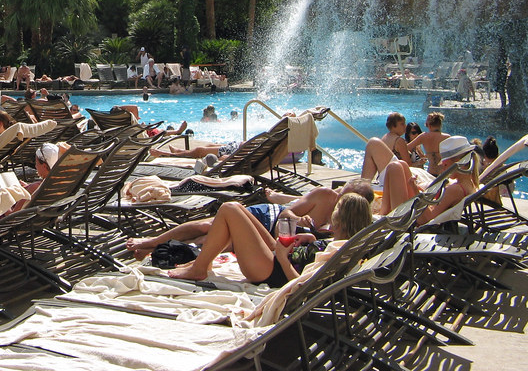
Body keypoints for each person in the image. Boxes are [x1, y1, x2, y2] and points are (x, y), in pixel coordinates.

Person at [126, 179, 374, 259]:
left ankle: (156, 251)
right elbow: (287, 211)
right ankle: (151, 241)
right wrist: (300, 221)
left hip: (272, 240)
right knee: (207, 226)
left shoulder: (343, 225)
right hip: (270, 217)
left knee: (213, 240)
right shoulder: (325, 196)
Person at [166, 193, 373, 285]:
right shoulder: (344, 245)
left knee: (229, 209)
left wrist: (283, 258)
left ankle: (200, 268)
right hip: (277, 258)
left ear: (339, 222)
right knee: (237, 208)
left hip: (273, 270)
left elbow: (303, 285)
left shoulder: (338, 250)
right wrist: (311, 239)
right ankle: (204, 262)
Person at [379, 135, 480, 224]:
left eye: (445, 164)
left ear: (458, 163)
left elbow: (427, 219)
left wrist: (415, 190)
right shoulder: (469, 183)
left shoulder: (455, 190)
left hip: (411, 220)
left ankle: (382, 215)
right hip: (418, 211)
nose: (443, 168)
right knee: (402, 165)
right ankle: (383, 213)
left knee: (395, 167)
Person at [359, 112, 412, 179]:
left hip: (383, 175)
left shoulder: (384, 138)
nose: (405, 126)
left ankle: (364, 182)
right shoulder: (399, 141)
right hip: (396, 176)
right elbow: (408, 164)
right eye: (402, 124)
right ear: (393, 126)